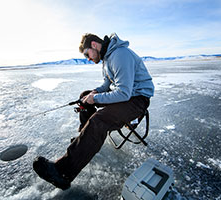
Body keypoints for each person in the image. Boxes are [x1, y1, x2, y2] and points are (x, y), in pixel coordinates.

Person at [33, 33, 154, 190]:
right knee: (84, 96)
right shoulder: (107, 58)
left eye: (87, 54)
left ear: (94, 45)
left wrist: (95, 99)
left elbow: (124, 93)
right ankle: (84, 139)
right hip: (127, 97)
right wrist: (93, 93)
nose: (88, 58)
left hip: (137, 100)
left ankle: (63, 172)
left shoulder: (119, 55)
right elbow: (108, 83)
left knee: (99, 120)